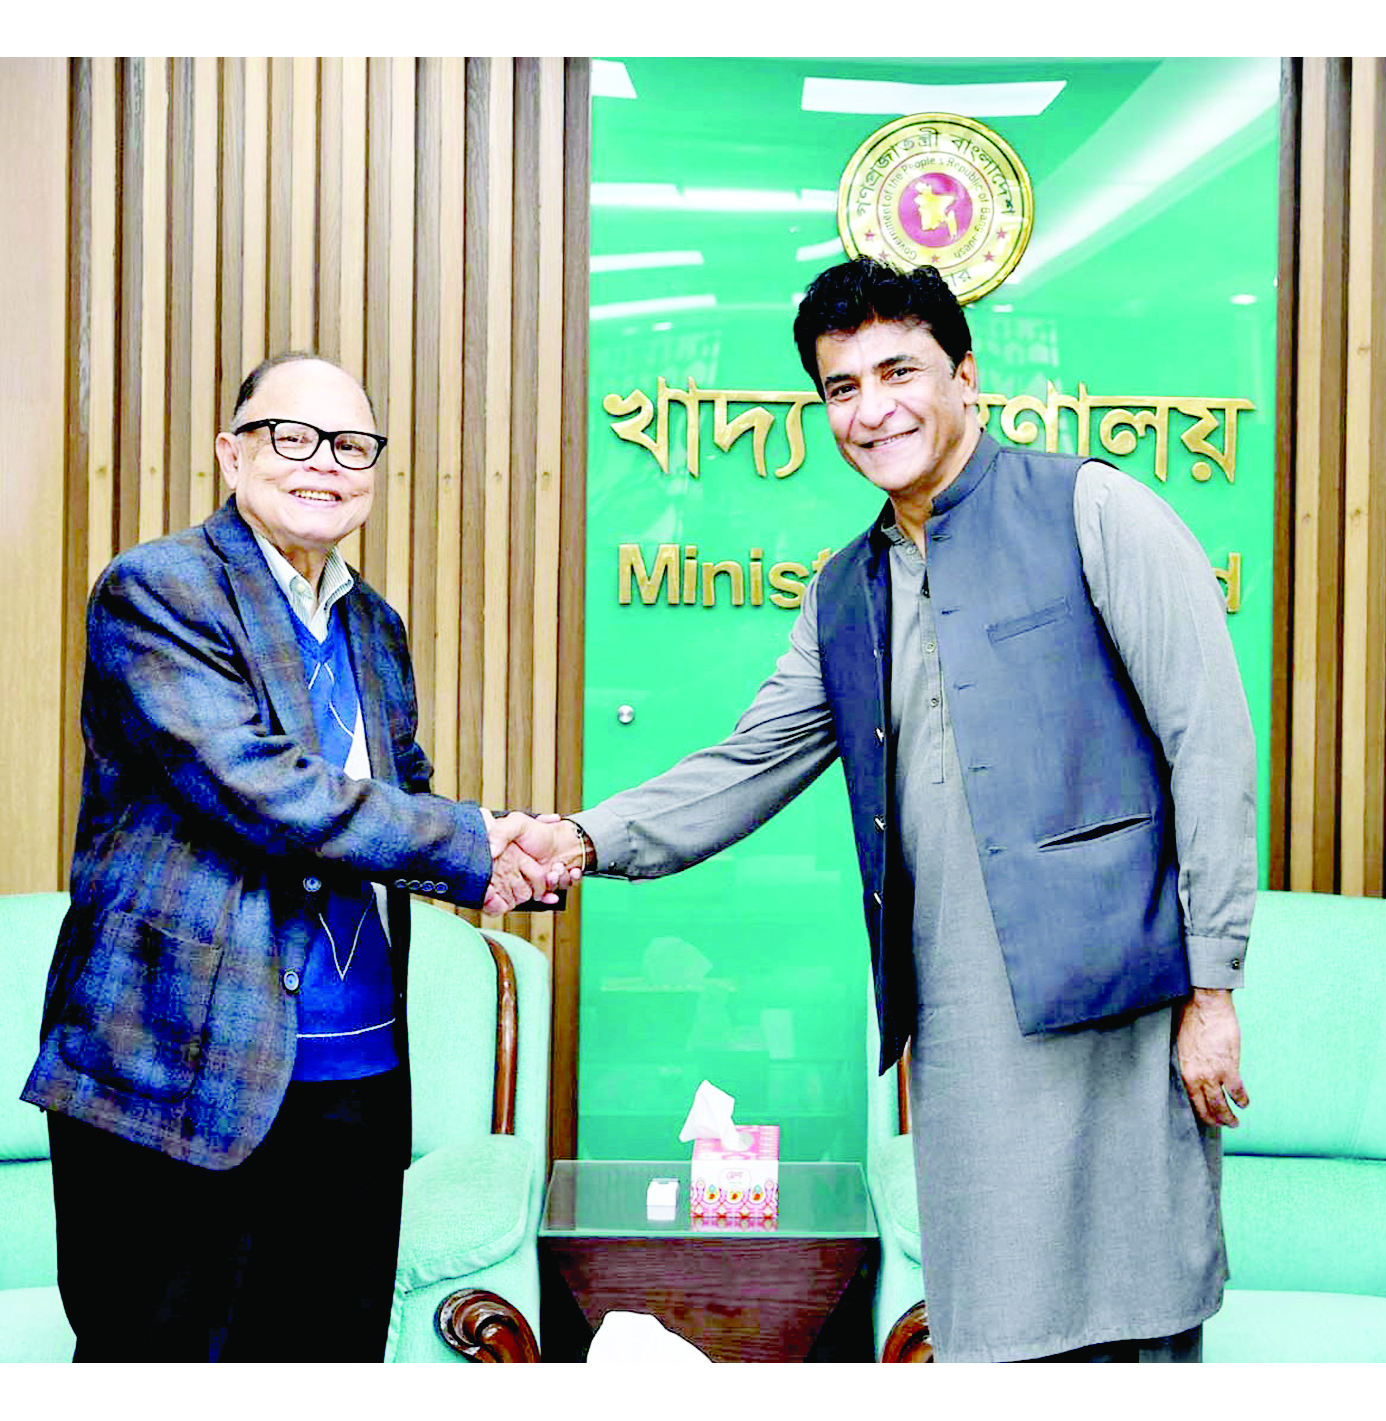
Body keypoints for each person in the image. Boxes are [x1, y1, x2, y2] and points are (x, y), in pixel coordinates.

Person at [514, 257, 1257, 1362]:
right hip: (960, 1026)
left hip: (1118, 1008)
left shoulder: (1093, 510)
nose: (872, 409)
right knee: (991, 1335)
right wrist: (581, 839)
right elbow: (746, 763)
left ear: (966, 375)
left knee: (1131, 1323)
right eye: (841, 387)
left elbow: (1211, 744)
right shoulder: (844, 592)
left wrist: (1213, 987)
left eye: (898, 371)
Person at [20, 352, 548, 1361]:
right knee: (156, 1367)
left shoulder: (372, 624)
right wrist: (476, 841)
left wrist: (504, 856)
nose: (324, 463)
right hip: (175, 1060)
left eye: (351, 445)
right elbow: (257, 785)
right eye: (292, 437)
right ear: (233, 452)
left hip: (357, 1070)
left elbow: (397, 800)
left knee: (327, 1361)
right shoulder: (159, 588)